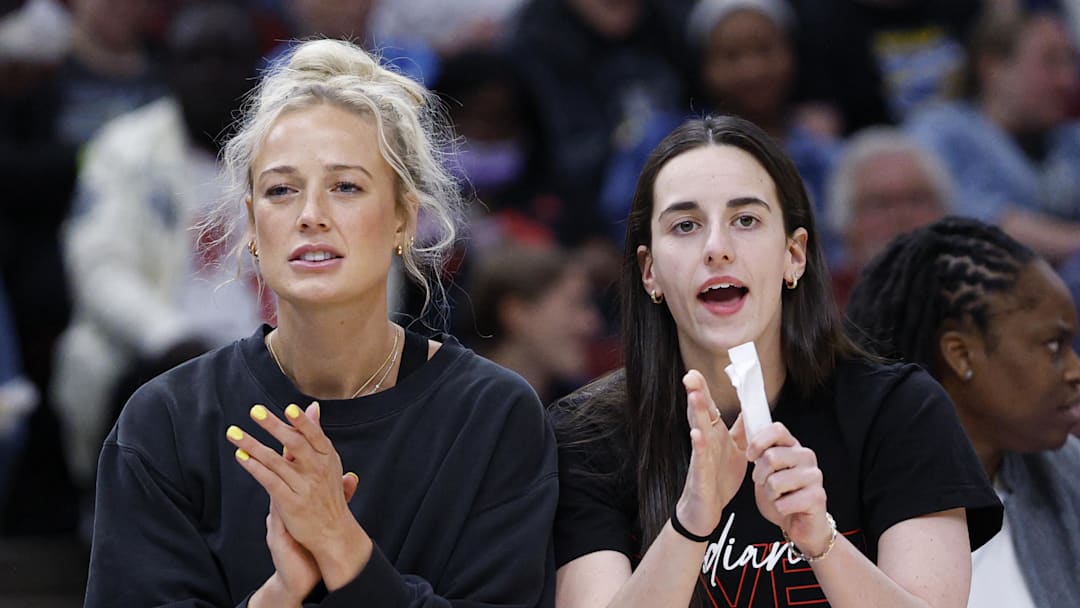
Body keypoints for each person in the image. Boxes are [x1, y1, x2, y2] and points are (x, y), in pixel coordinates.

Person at [85, 38, 558, 607]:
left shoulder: (493, 417)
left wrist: (340, 545)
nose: (311, 215)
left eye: (346, 187)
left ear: (404, 218)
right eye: (281, 190)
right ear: (253, 227)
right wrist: (282, 594)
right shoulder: (164, 422)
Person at [549, 115, 1002, 608]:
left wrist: (820, 542)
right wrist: (691, 522)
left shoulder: (898, 410)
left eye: (746, 220)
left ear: (795, 255)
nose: (717, 249)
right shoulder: (586, 434)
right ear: (650, 271)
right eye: (685, 225)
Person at [52, 2, 266, 516]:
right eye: (196, 58)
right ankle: (112, 516)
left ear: (257, 70)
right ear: (169, 67)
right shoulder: (126, 147)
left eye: (229, 57)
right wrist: (168, 334)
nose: (213, 73)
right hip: (161, 350)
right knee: (89, 354)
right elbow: (99, 268)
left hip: (274, 352)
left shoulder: (294, 151)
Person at [845, 216, 1080, 608]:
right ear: (959, 354)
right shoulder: (837, 490)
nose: (1075, 370)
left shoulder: (1066, 473)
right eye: (1054, 346)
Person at [906, 7, 1080, 264]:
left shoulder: (1070, 140)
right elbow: (971, 224)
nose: (1068, 79)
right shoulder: (940, 131)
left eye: (1071, 60)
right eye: (1050, 61)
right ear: (993, 67)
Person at [823, 126, 951, 306]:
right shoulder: (816, 312)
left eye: (916, 200)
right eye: (879, 204)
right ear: (846, 225)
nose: (900, 217)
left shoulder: (982, 304)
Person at [465, 245, 600, 404]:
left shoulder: (582, 408)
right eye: (576, 303)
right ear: (517, 314)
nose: (591, 323)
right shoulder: (451, 406)